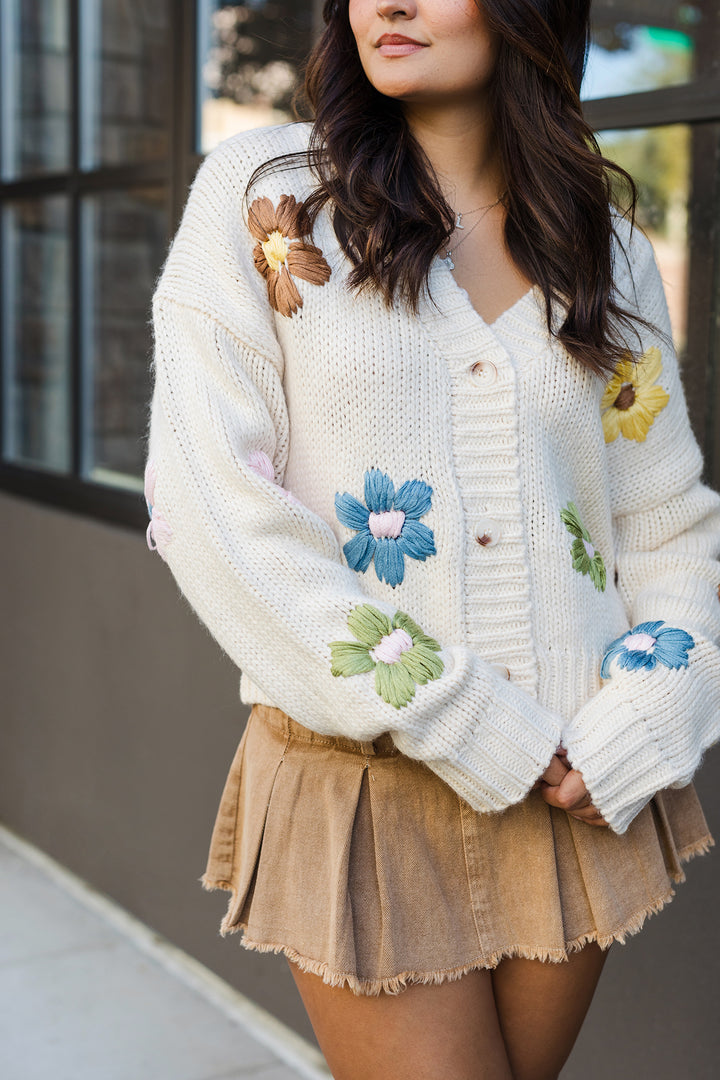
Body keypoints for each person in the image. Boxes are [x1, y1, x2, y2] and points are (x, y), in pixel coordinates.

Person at [144, 2, 720, 1077]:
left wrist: (651, 708)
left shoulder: (605, 246)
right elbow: (211, 501)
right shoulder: (270, 199)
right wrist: (454, 709)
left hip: (571, 781)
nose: (389, 2)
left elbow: (664, 521)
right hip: (363, 785)